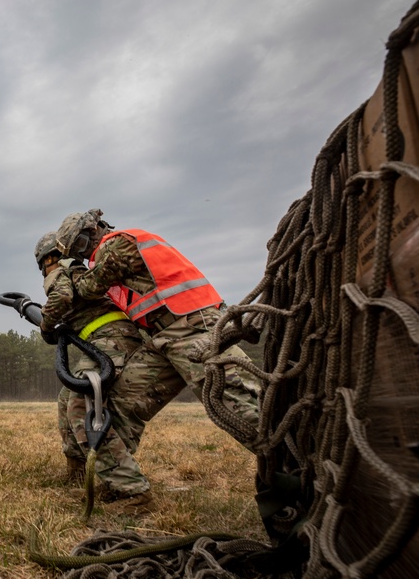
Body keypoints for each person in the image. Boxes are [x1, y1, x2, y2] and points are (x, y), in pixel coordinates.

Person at [54, 210, 261, 452]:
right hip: (161, 338)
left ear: (94, 228)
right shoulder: (112, 252)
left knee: (236, 408)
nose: (82, 253)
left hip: (192, 327)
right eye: (75, 253)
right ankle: (127, 487)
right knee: (121, 406)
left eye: (80, 245)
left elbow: (89, 288)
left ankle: (298, 471)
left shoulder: (118, 244)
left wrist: (71, 273)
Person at [35, 231, 185, 512]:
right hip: (116, 338)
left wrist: (46, 326)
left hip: (110, 340)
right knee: (67, 398)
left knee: (82, 405)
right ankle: (79, 469)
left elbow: (62, 298)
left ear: (46, 259)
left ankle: (131, 492)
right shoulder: (79, 271)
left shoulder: (58, 272)